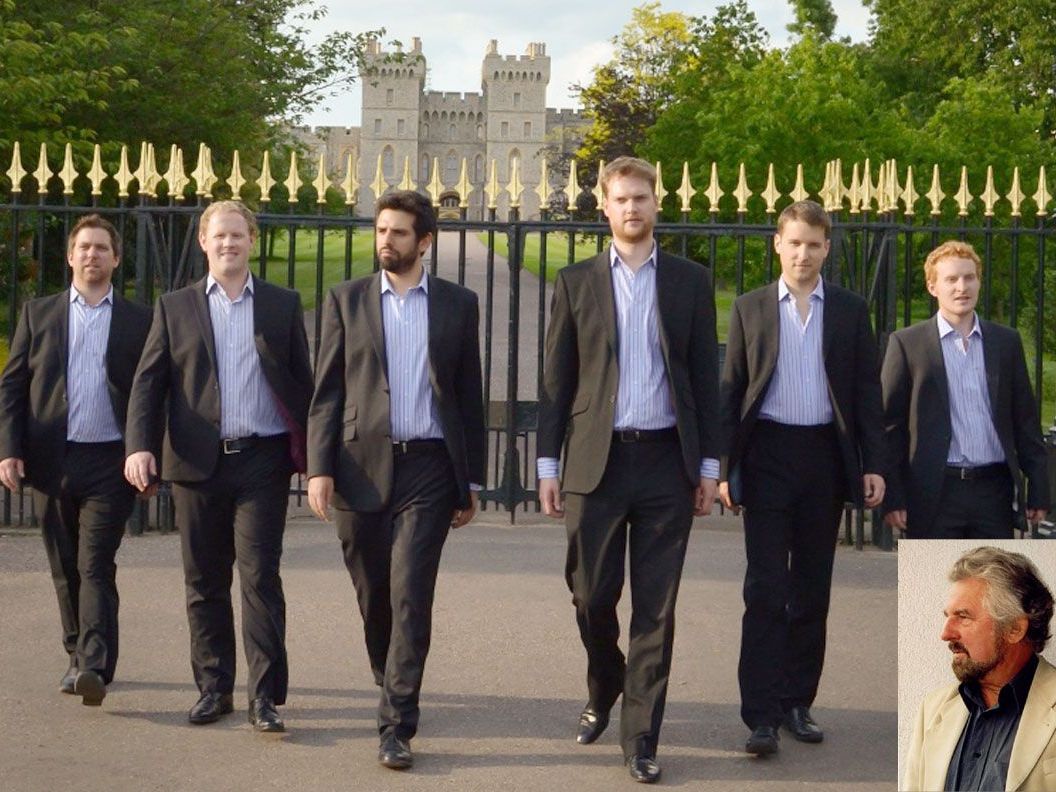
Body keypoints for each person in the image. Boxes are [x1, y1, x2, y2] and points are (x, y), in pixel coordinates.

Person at [537, 156, 720, 784]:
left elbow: (704, 379)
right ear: (605, 206)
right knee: (591, 595)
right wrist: (546, 463)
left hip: (668, 461)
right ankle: (606, 679)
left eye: (641, 197)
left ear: (655, 203)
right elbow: (557, 382)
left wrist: (709, 466)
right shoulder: (576, 281)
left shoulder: (689, 282)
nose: (632, 208)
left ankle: (640, 736)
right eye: (621, 199)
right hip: (595, 462)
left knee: (657, 610)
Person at [306, 190, 485, 770]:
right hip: (360, 465)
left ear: (424, 241)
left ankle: (396, 722)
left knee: (410, 592)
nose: (387, 241)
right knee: (373, 591)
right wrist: (319, 467)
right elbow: (326, 390)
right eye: (382, 231)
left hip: (430, 467)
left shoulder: (459, 304)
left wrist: (472, 481)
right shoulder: (346, 300)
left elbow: (467, 396)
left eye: (400, 233)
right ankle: (390, 678)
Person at [124, 200, 313, 732]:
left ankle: (264, 697)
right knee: (204, 581)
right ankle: (213, 689)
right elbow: (148, 382)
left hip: (262, 460)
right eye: (219, 236)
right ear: (204, 243)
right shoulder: (175, 306)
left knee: (259, 577)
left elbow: (305, 384)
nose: (228, 244)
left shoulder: (281, 305)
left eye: (238, 235)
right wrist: (140, 445)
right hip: (196, 462)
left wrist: (316, 457)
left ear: (252, 240)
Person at [719, 199, 886, 756]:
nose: (803, 253)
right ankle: (760, 715)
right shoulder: (750, 308)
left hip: (824, 461)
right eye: (794, 242)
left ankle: (797, 703)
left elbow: (866, 393)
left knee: (812, 591)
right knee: (766, 589)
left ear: (826, 249)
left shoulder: (848, 309)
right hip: (767, 456)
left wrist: (873, 464)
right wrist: (723, 467)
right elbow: (732, 392)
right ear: (778, 244)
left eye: (814, 244)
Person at [0, 214, 151, 706]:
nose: (92, 255)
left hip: (111, 461)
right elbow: (13, 387)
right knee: (65, 566)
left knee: (95, 563)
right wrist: (9, 448)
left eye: (101, 248)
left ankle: (94, 663)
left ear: (116, 258)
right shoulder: (38, 315)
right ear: (70, 256)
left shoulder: (138, 319)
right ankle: (76, 654)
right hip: (52, 459)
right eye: (83, 247)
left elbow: (152, 393)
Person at [881, 240, 1049, 539]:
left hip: (993, 490)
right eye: (951, 279)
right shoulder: (908, 344)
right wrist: (894, 495)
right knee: (932, 583)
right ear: (933, 287)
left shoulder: (1005, 343)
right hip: (934, 489)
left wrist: (1038, 485)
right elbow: (891, 427)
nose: (962, 287)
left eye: (969, 277)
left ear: (979, 282)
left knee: (993, 582)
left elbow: (1024, 418)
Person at [903, 546, 1056, 791]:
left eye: (963, 617)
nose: (945, 633)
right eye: (947, 616)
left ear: (1014, 629)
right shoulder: (933, 709)